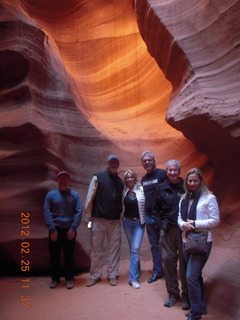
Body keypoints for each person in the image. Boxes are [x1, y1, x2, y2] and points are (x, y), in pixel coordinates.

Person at [178, 168, 220, 320]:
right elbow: (179, 218)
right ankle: (201, 307)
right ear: (186, 182)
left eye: (195, 180)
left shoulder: (209, 197)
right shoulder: (184, 198)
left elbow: (215, 220)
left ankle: (195, 313)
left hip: (202, 241)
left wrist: (195, 223)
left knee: (190, 276)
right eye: (190, 181)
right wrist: (183, 225)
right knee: (195, 276)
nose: (192, 183)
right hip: (186, 240)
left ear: (201, 181)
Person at [153, 160, 190, 310]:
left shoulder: (186, 187)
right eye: (170, 170)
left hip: (184, 230)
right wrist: (160, 224)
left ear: (179, 171)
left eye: (175, 170)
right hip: (167, 230)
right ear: (166, 172)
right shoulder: (161, 188)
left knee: (185, 263)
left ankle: (186, 296)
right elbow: (155, 209)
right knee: (168, 262)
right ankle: (173, 294)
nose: (172, 173)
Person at [85, 154, 124, 287]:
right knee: (97, 250)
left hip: (114, 222)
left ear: (118, 164)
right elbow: (90, 196)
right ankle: (95, 275)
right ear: (107, 163)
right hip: (98, 220)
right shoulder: (98, 177)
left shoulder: (120, 182)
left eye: (116, 162)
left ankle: (112, 275)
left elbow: (122, 202)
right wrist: (88, 216)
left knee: (114, 249)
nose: (114, 164)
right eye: (111, 162)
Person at [44, 171, 82, 289]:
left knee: (69, 256)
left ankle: (69, 278)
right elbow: (47, 211)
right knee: (54, 256)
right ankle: (55, 278)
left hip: (69, 231)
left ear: (68, 180)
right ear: (57, 180)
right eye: (61, 178)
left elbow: (78, 212)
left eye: (65, 178)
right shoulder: (51, 195)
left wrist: (73, 228)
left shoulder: (74, 195)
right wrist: (52, 229)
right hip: (55, 230)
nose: (63, 181)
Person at [141, 151, 167, 283]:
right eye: (145, 161)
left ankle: (169, 270)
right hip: (150, 217)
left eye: (149, 160)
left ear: (154, 161)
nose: (147, 162)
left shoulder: (162, 174)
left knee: (167, 244)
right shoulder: (144, 179)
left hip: (162, 216)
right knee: (154, 245)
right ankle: (158, 271)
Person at [122, 170, 145, 289]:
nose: (130, 179)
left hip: (138, 223)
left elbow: (146, 205)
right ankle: (137, 269)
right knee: (133, 249)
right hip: (127, 222)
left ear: (135, 178)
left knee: (135, 249)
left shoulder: (141, 190)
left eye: (131, 177)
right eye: (127, 178)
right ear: (125, 180)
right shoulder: (124, 191)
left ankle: (133, 278)